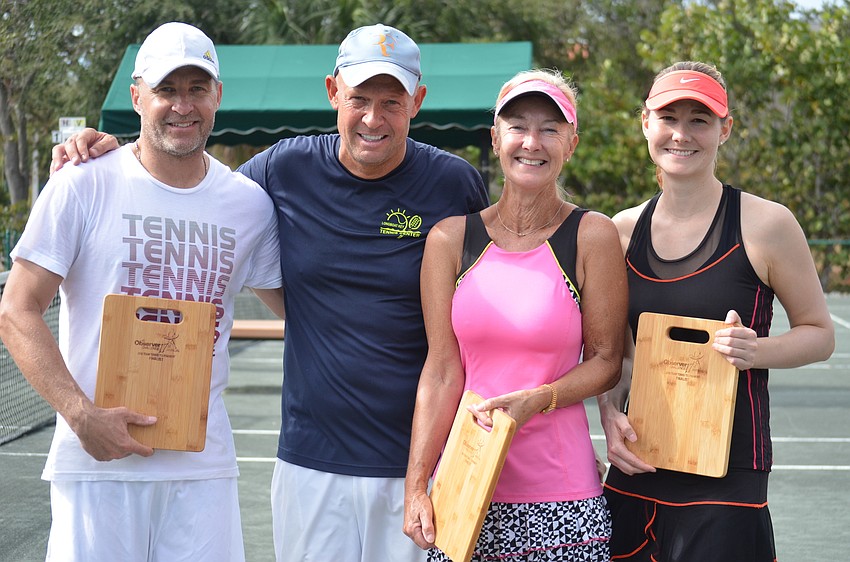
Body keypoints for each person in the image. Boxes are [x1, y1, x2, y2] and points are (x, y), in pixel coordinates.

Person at [51, 23, 489, 562]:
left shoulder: (456, 184)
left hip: (424, 463)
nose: (373, 118)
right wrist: (116, 152)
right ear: (333, 93)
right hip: (310, 462)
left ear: (417, 102)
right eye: (359, 99)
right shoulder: (283, 169)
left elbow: (482, 311)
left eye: (391, 102)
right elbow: (192, 185)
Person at [0, 22, 283, 562]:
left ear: (217, 95)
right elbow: (17, 309)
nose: (182, 106)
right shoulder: (81, 182)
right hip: (96, 468)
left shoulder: (249, 204)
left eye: (196, 89)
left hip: (202, 470)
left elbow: (306, 309)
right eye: (166, 90)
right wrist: (81, 415)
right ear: (137, 98)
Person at [597, 61, 835, 561]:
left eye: (699, 120)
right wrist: (606, 415)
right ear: (645, 123)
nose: (682, 134)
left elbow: (819, 333)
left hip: (730, 470)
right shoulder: (621, 230)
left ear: (724, 129)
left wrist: (757, 349)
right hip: (640, 461)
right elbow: (620, 360)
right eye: (669, 118)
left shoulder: (767, 224)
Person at [403, 69, 628, 561]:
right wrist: (418, 484)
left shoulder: (593, 235)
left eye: (550, 128)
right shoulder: (449, 240)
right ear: (496, 139)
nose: (532, 142)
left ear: (571, 143)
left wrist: (540, 399)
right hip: (463, 492)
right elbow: (442, 371)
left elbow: (607, 360)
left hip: (562, 502)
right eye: (518, 126)